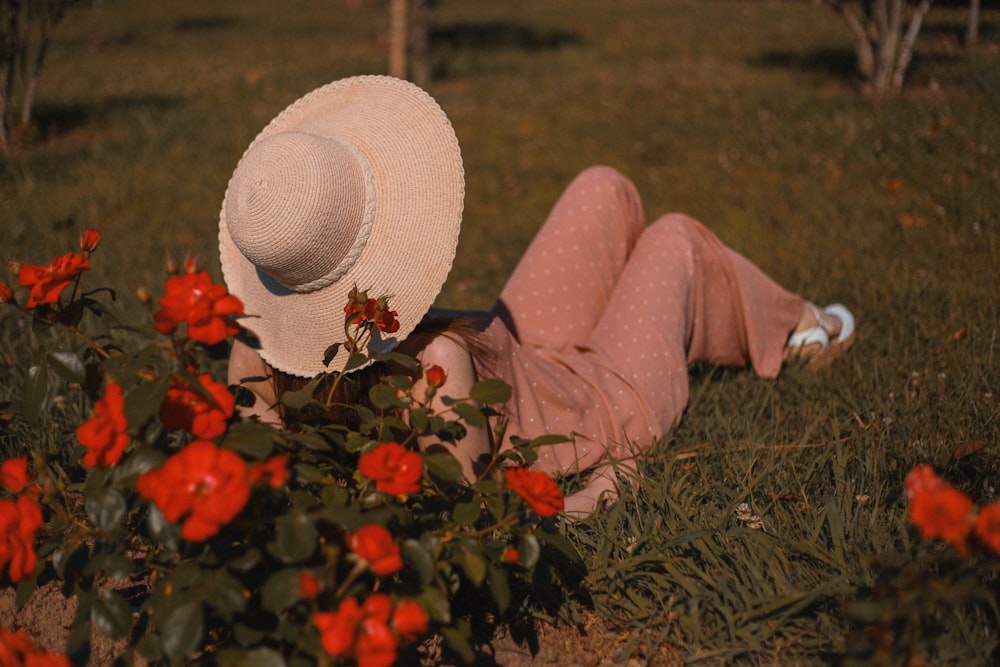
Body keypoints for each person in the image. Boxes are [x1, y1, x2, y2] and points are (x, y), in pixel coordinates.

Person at [221, 76, 855, 517]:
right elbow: (467, 520)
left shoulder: (258, 345)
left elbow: (262, 473)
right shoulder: (439, 368)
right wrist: (609, 482)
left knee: (604, 188)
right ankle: (797, 328)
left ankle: (772, 321)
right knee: (674, 239)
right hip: (600, 399)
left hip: (517, 351)